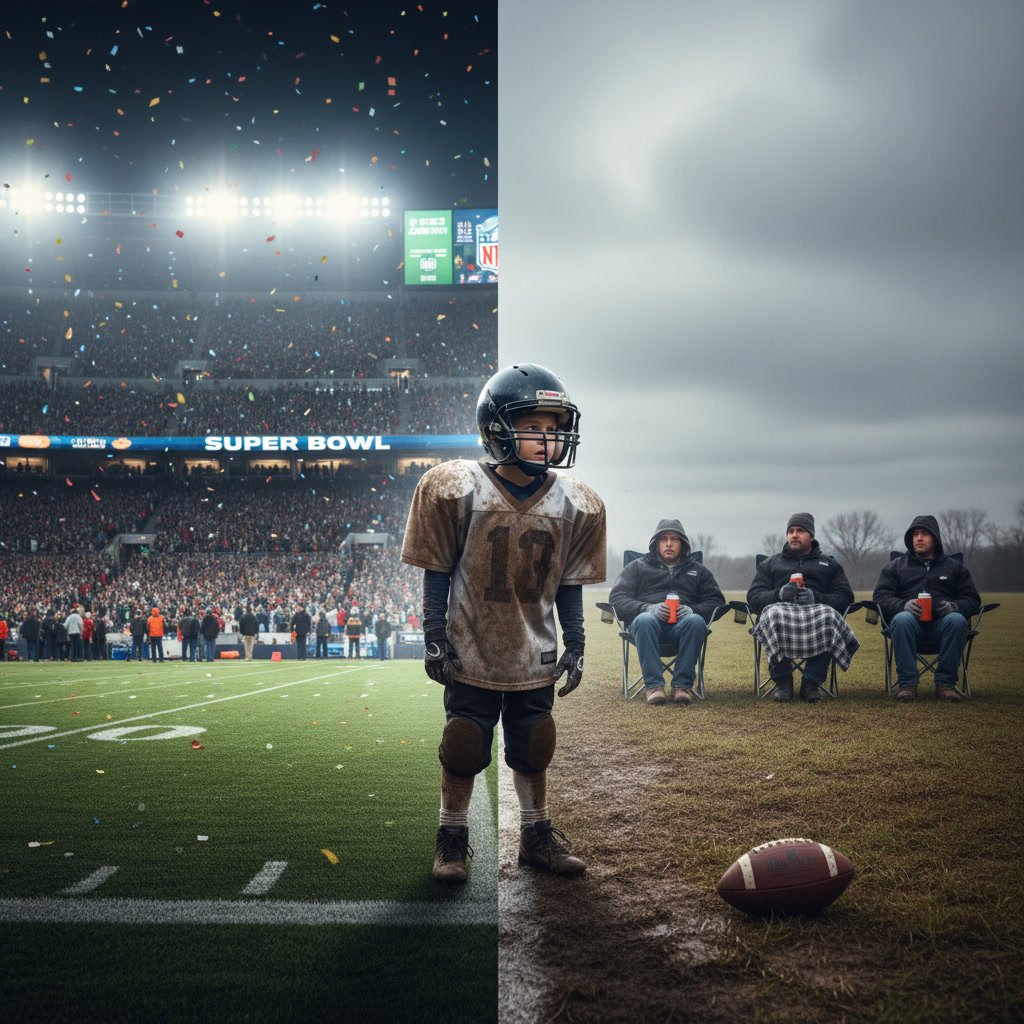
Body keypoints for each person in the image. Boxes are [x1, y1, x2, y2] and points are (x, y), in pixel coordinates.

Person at [401, 363, 606, 883]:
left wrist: (576, 640)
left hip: (533, 648)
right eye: (533, 426)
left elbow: (569, 582)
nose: (547, 438)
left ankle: (536, 836)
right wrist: (432, 635)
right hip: (472, 643)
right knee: (465, 741)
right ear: (497, 428)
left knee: (535, 741)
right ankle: (451, 837)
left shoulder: (574, 501)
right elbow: (438, 568)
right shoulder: (458, 486)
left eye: (554, 428)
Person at [607, 520, 726, 705]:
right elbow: (617, 598)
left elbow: (717, 602)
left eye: (674, 539)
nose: (669, 543)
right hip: (647, 629)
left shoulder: (698, 570)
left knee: (695, 621)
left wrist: (693, 609)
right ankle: (654, 687)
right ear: (656, 543)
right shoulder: (637, 567)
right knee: (645, 619)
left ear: (683, 544)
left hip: (683, 629)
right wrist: (646, 608)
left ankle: (682, 686)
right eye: (663, 539)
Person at [745, 513, 860, 702]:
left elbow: (845, 597)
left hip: (817, 618)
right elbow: (754, 597)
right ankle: (783, 683)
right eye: (790, 531)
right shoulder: (770, 564)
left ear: (811, 535)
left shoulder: (829, 565)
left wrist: (817, 597)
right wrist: (779, 595)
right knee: (772, 614)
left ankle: (811, 683)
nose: (794, 535)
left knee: (828, 616)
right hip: (780, 617)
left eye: (800, 531)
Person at [871, 514, 981, 702]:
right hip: (908, 629)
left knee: (956, 619)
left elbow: (972, 600)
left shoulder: (954, 568)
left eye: (924, 534)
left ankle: (945, 685)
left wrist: (954, 606)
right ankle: (907, 685)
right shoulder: (895, 567)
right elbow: (880, 597)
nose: (919, 538)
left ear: (935, 539)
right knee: (902, 618)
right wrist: (902, 605)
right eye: (915, 534)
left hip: (943, 628)